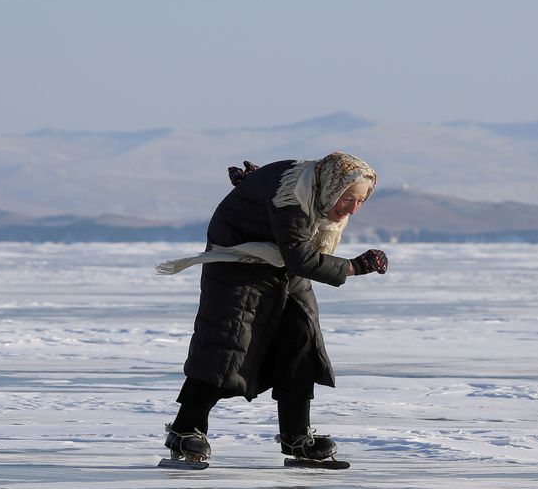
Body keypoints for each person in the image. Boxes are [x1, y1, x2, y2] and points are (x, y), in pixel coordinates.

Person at [154, 152, 389, 465]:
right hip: (239, 262)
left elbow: (294, 245)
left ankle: (297, 437)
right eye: (349, 199)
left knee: (301, 341)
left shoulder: (311, 185)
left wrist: (256, 189)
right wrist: (354, 267)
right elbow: (302, 258)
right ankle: (185, 430)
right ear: (333, 186)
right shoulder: (292, 196)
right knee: (228, 346)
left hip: (282, 264)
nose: (353, 209)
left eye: (361, 201)